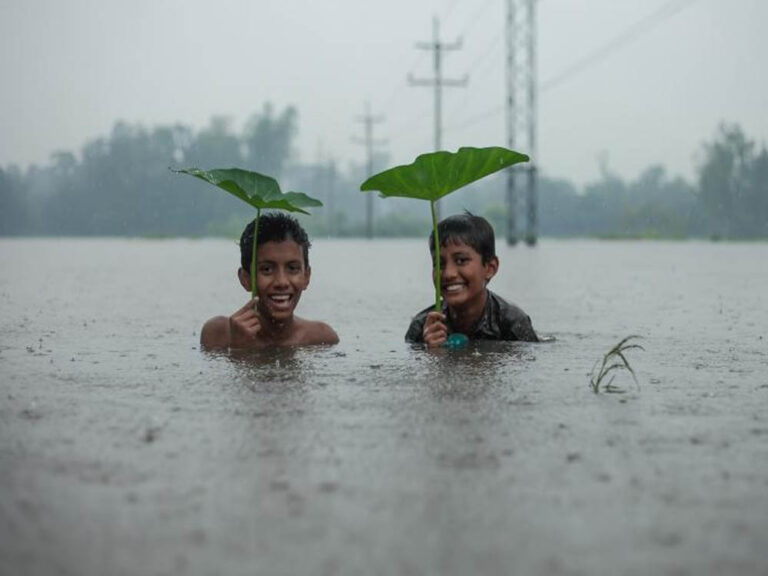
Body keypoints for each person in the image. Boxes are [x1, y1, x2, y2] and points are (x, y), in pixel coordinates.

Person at [200, 212, 339, 350]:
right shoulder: (219, 334)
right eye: (267, 269)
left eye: (292, 268)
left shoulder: (321, 339)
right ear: (245, 279)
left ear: (306, 277)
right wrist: (239, 349)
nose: (282, 282)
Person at [405, 213, 538, 348]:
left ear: (490, 268)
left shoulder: (512, 323)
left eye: (461, 260)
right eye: (439, 264)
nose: (448, 274)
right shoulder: (421, 327)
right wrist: (432, 354)